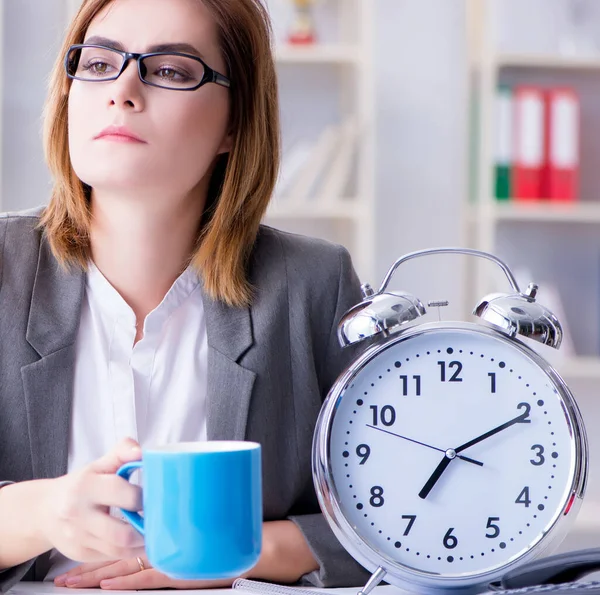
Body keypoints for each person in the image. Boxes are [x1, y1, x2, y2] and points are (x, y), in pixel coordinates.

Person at [0, 0, 370, 591]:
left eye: (171, 70)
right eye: (98, 63)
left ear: (233, 124)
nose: (122, 91)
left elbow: (401, 518)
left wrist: (235, 554)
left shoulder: (313, 285)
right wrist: (41, 512)